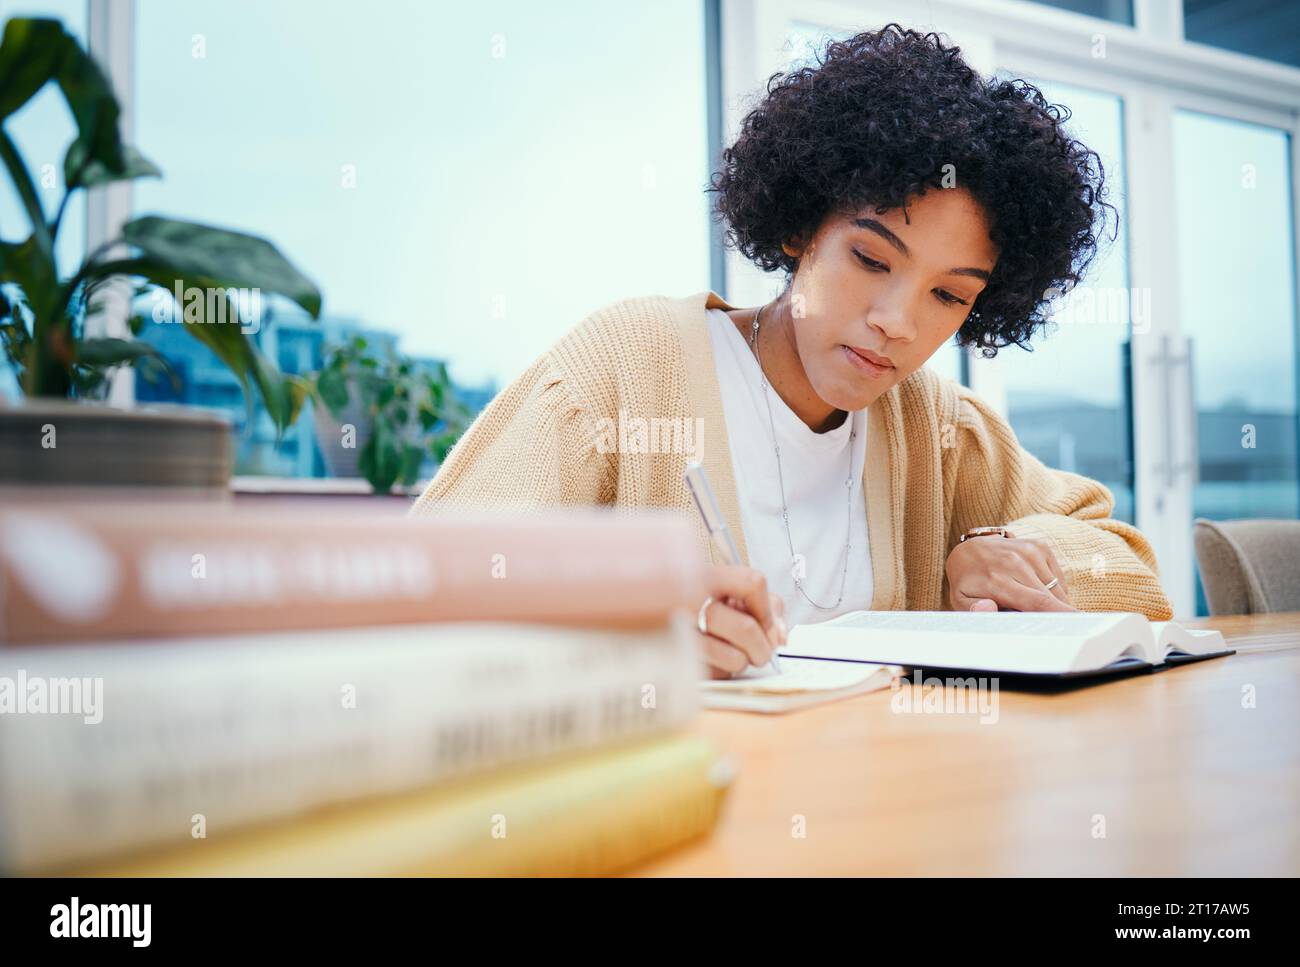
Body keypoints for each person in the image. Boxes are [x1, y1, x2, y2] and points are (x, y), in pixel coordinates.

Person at [410, 24, 1174, 678]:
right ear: (799, 228)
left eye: (948, 295)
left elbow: (1132, 569)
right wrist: (637, 638)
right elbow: (419, 592)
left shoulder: (935, 428)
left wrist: (1013, 550)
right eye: (871, 260)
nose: (895, 322)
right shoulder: (626, 369)